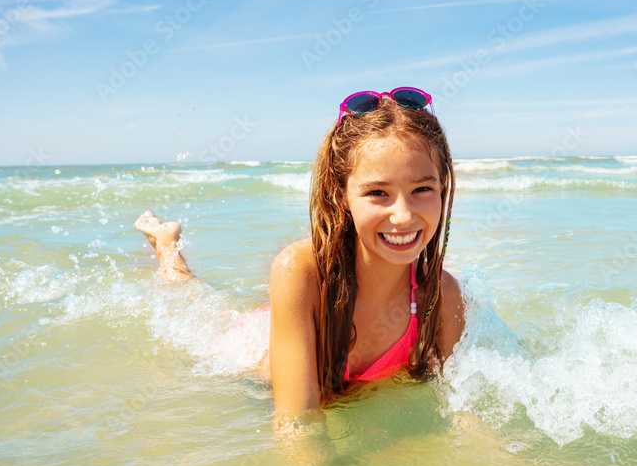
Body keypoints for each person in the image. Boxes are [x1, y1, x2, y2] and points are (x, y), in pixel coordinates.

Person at [134, 87, 465, 418]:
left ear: (443, 186)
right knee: (188, 301)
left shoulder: (442, 296)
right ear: (340, 195)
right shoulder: (299, 270)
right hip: (247, 350)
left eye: (422, 189)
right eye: (378, 192)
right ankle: (167, 245)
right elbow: (297, 422)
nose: (404, 216)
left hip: (294, 322)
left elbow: (461, 407)